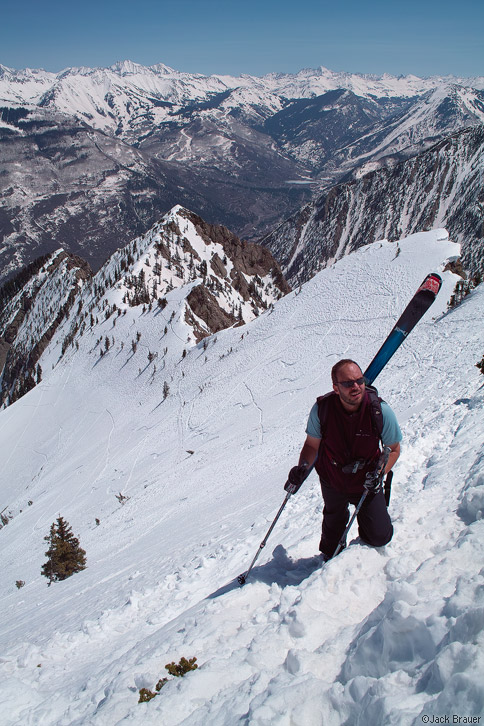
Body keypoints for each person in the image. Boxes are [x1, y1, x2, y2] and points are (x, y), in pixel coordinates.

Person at [286, 359, 402, 560]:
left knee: (380, 537)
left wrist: (379, 474)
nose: (356, 387)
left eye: (359, 380)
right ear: (336, 388)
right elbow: (312, 445)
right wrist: (302, 467)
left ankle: (370, 521)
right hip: (333, 477)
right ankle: (333, 549)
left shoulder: (379, 411)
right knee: (331, 547)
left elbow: (393, 449)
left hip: (367, 480)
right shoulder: (322, 410)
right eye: (348, 383)